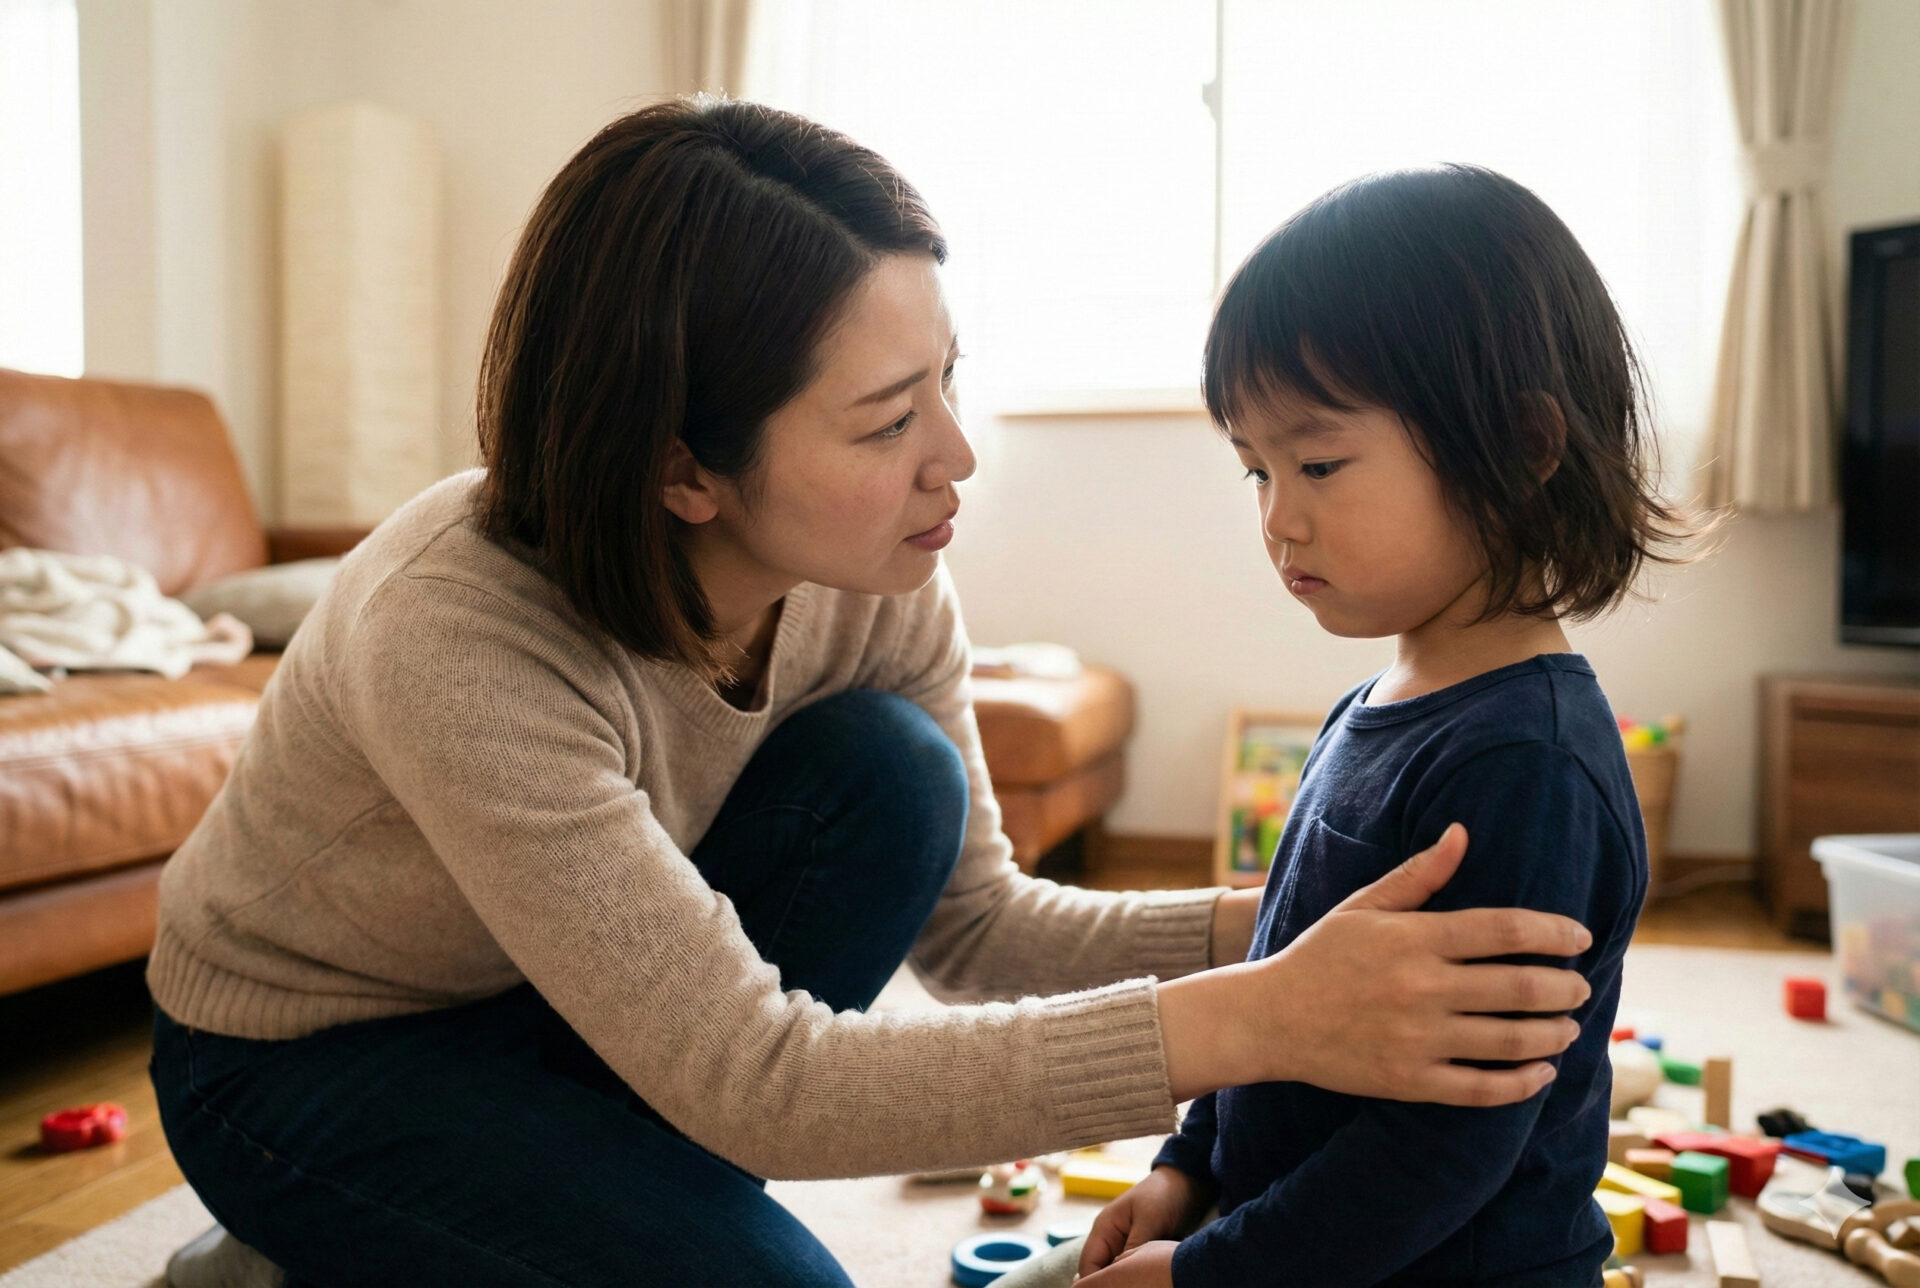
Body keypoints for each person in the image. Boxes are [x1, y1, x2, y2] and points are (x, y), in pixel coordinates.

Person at [147, 104, 1599, 1288]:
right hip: (312, 1062)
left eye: (947, 381)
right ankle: (321, 1230)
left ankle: (543, 1209)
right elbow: (763, 1080)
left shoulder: (879, 573)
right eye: (889, 418)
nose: (955, 454)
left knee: (894, 775)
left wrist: (1307, 933)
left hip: (590, 1022)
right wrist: (1264, 1015)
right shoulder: (456, 634)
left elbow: (975, 927)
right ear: (681, 469)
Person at [1054, 165, 1694, 1288]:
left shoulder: (1524, 765)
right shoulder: (1369, 712)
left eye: (1319, 463)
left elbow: (1442, 1150)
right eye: (1255, 469)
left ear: (1522, 443)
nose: (1277, 517)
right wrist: (1186, 1169)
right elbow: (1279, 995)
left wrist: (1203, 1270)